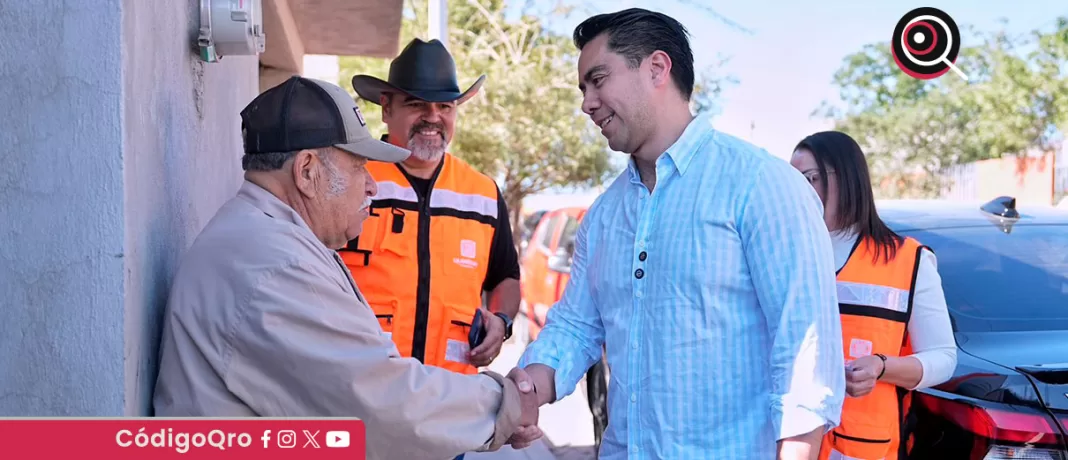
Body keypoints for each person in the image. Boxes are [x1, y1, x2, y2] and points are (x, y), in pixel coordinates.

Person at [508, 8, 846, 459]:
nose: (587, 103)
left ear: (657, 68)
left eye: (598, 79)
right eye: (583, 88)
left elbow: (805, 355)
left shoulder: (761, 186)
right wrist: (527, 388)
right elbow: (576, 327)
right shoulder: (604, 216)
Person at [152, 76, 541, 460]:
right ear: (307, 172)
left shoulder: (266, 239)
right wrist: (503, 403)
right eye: (359, 168)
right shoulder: (274, 264)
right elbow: (377, 401)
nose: (372, 186)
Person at [343, 38, 521, 377]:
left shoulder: (482, 193)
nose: (433, 118)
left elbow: (506, 277)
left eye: (446, 107)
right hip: (360, 391)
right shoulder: (349, 180)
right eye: (416, 104)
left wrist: (501, 321)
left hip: (451, 400)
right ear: (386, 109)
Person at [790, 131, 957, 460]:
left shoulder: (908, 260)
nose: (800, 191)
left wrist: (881, 367)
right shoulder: (780, 252)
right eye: (792, 181)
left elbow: (943, 358)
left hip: (861, 447)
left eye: (810, 178)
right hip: (786, 443)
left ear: (848, 178)